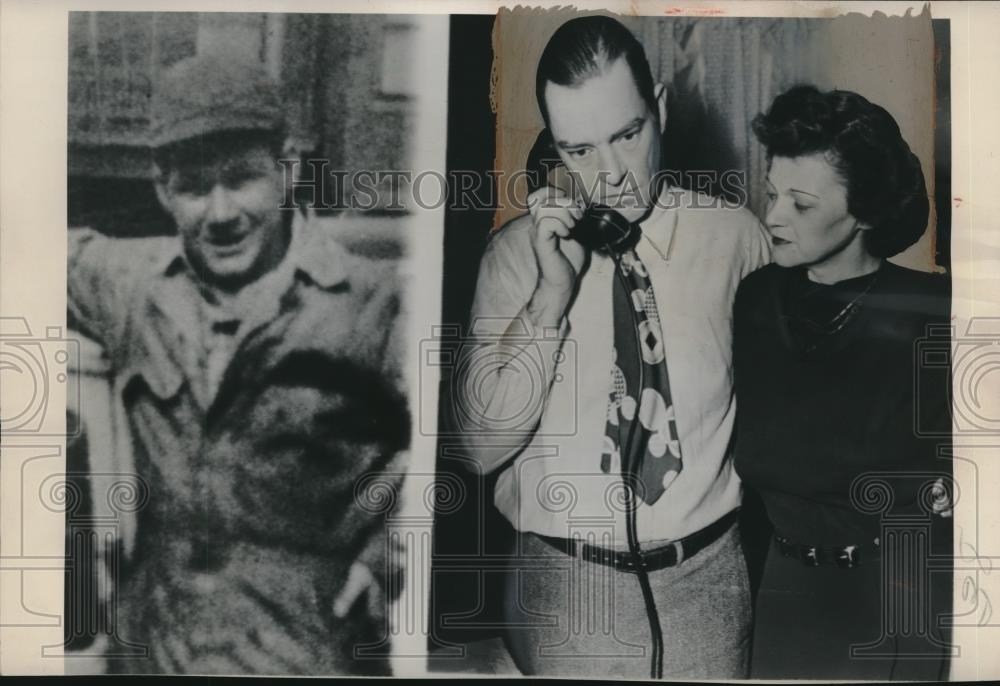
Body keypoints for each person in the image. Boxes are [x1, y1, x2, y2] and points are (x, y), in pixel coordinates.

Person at [67, 53, 409, 675]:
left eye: (242, 178)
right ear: (163, 191)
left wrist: (392, 549)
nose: (221, 213)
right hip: (154, 648)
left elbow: (476, 445)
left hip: (304, 649)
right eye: (195, 187)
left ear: (287, 170)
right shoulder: (132, 287)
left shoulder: (374, 302)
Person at [456, 16, 770, 678]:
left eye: (628, 135)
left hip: (709, 583)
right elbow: (480, 449)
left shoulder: (739, 241)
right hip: (570, 590)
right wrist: (550, 296)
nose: (613, 175)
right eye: (578, 151)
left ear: (658, 108)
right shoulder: (516, 258)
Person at [733, 85, 953, 680]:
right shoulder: (755, 301)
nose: (773, 215)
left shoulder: (932, 313)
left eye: (800, 204)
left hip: (895, 597)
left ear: (867, 211)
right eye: (772, 193)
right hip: (785, 588)